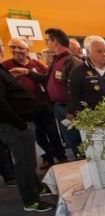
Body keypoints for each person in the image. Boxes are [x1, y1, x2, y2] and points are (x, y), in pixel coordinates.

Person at [0, 38, 52, 212]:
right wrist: (20, 123)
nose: (4, 50)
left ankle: (36, 187)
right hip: (13, 125)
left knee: (28, 160)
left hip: (17, 122)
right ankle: (31, 201)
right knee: (24, 162)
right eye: (6, 46)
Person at [4, 37, 67, 169]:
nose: (17, 50)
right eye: (13, 47)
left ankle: (61, 157)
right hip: (24, 111)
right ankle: (47, 158)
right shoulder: (6, 66)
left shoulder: (36, 64)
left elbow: (46, 80)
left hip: (44, 106)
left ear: (27, 50)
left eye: (20, 47)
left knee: (53, 133)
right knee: (38, 136)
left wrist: (29, 73)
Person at [44, 28, 83, 158]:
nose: (46, 43)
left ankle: (85, 167)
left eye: (47, 40)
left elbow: (78, 89)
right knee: (71, 141)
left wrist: (72, 109)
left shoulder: (72, 61)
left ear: (55, 41)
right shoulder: (56, 60)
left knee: (78, 140)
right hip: (59, 107)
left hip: (69, 108)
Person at [67, 35, 105, 117]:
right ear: (88, 53)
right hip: (92, 123)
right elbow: (73, 99)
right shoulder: (78, 72)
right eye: (99, 51)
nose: (104, 54)